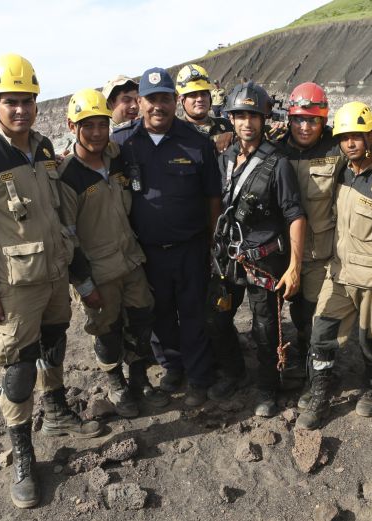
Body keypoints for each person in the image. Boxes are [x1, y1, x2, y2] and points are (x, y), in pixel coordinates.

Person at [0, 54, 102, 508]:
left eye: (28, 101)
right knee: (17, 367)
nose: (21, 110)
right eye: (12, 101)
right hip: (14, 288)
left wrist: (77, 273)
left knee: (55, 340)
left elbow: (58, 217)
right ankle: (23, 455)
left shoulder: (45, 150)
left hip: (54, 274)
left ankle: (55, 410)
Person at [58, 89, 168, 418]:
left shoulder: (116, 156)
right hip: (97, 271)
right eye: (87, 125)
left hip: (131, 260)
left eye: (101, 124)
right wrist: (84, 283)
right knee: (105, 329)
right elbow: (68, 236)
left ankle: (138, 378)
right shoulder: (67, 175)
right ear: (71, 126)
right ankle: (114, 381)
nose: (95, 132)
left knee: (141, 319)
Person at [119, 67, 222, 406]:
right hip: (146, 250)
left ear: (175, 101)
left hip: (190, 247)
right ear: (139, 102)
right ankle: (172, 367)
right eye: (151, 99)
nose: (157, 106)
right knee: (159, 314)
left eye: (164, 98)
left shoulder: (197, 143)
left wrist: (211, 244)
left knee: (193, 313)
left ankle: (199, 377)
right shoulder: (123, 144)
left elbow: (212, 197)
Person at [206, 81, 306, 416]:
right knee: (217, 319)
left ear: (264, 119)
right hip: (228, 259)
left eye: (253, 115)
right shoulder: (224, 159)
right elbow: (216, 204)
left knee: (265, 327)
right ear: (231, 119)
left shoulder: (278, 164)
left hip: (264, 260)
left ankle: (267, 387)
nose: (247, 122)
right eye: (240, 116)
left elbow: (294, 213)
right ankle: (234, 372)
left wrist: (294, 265)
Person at [296, 102, 372, 430]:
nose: (350, 143)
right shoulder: (342, 170)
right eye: (344, 137)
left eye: (358, 136)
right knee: (321, 333)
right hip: (339, 271)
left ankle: (371, 386)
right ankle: (321, 392)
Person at [274, 82, 344, 394]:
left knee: (319, 317)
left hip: (320, 254)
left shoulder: (336, 150)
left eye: (312, 120)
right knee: (296, 311)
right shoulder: (275, 148)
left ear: (323, 121)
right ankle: (301, 356)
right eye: (298, 119)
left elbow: (369, 162)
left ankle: (321, 373)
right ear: (288, 119)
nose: (305, 127)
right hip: (283, 252)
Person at [175, 64, 233, 152]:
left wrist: (234, 136)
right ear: (181, 99)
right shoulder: (175, 133)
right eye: (193, 95)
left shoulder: (227, 126)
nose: (200, 99)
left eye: (203, 94)